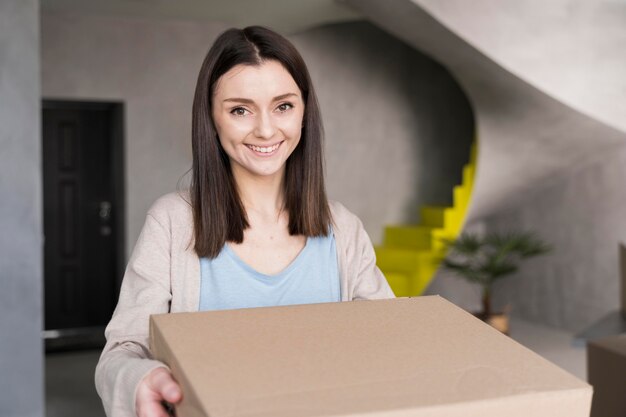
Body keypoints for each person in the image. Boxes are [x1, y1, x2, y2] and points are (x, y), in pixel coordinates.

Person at [95, 25, 395, 417]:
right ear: (212, 118)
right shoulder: (171, 223)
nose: (266, 129)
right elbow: (122, 351)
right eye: (240, 109)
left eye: (283, 106)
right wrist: (139, 380)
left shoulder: (343, 228)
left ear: (304, 110)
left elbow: (390, 340)